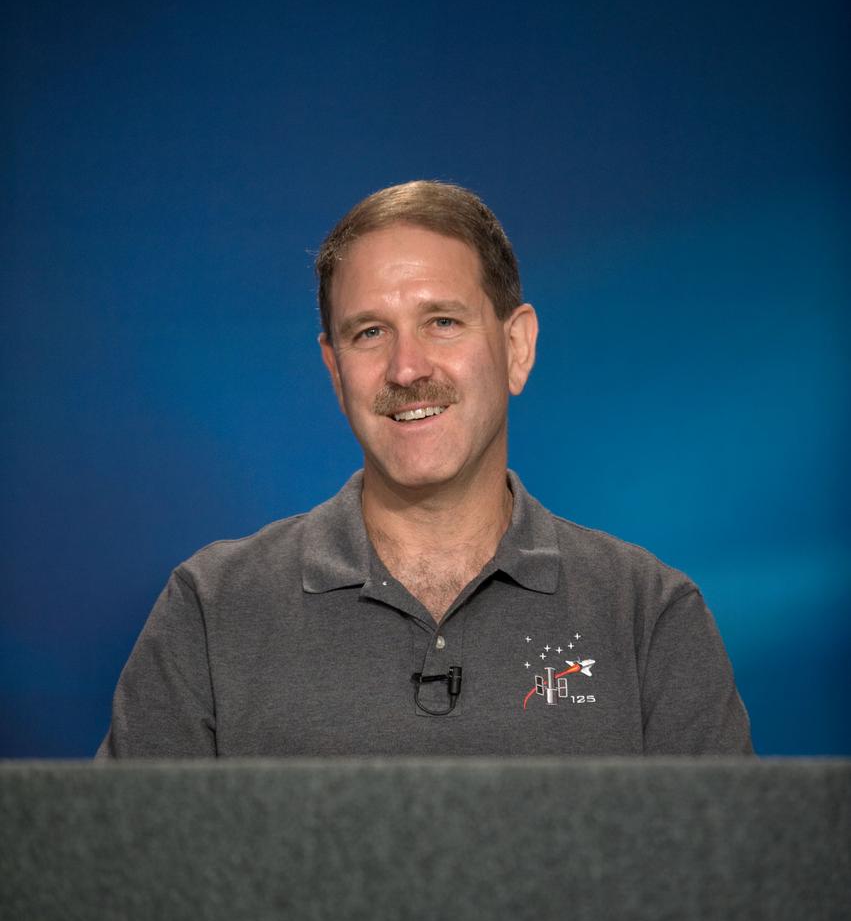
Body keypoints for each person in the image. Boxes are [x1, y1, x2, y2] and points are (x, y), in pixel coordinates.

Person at [97, 181, 753, 759]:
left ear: (516, 347)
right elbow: (119, 880)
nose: (406, 369)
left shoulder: (646, 615)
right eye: (369, 333)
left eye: (442, 322)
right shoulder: (212, 609)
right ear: (334, 370)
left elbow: (725, 885)